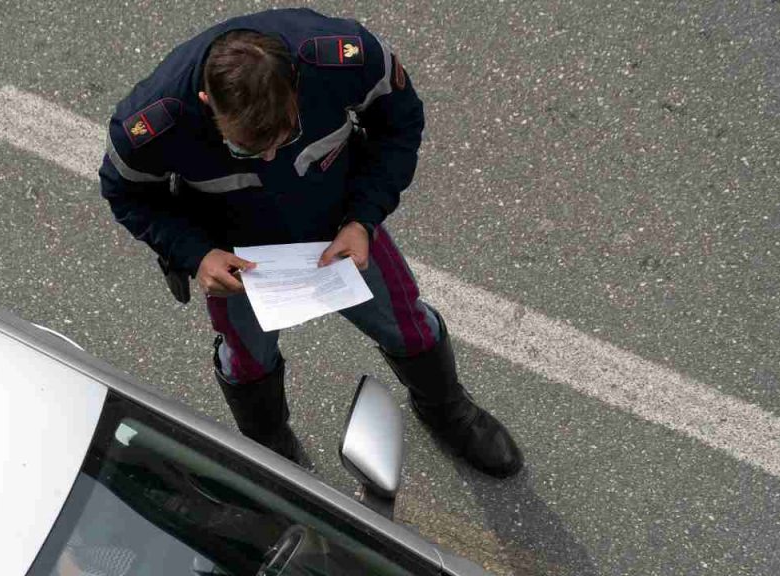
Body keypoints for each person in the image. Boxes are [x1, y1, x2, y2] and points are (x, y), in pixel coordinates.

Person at [99, 8, 523, 478]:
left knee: (408, 324)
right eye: (246, 149)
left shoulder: (346, 58)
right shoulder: (150, 123)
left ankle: (445, 409)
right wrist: (196, 255)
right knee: (246, 361)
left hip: (337, 222)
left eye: (285, 136)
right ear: (206, 102)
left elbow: (400, 124)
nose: (270, 157)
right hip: (239, 254)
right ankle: (271, 449)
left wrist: (363, 218)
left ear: (298, 85)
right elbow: (127, 194)